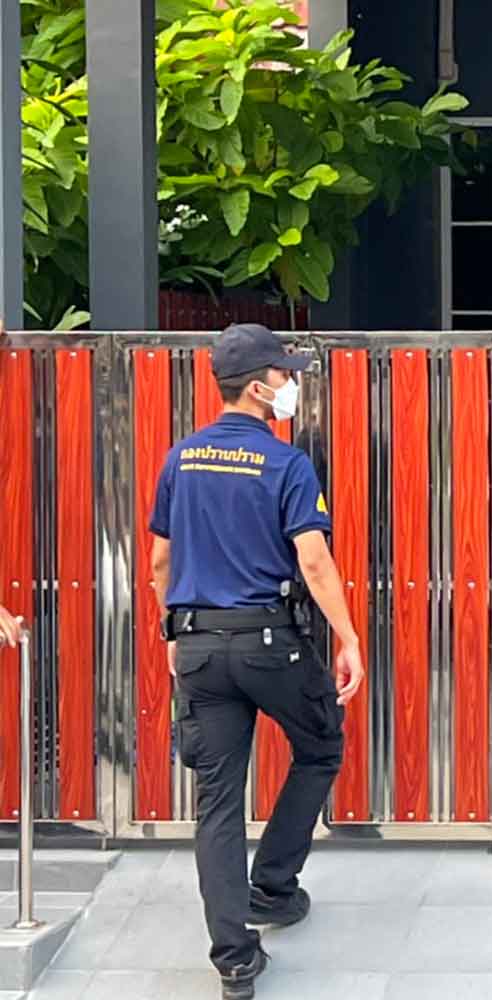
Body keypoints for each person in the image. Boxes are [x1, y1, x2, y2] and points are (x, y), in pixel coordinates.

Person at [148, 323, 365, 1000]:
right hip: (270, 642)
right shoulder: (285, 463)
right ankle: (272, 887)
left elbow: (159, 559)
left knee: (216, 802)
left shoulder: (180, 458)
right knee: (321, 745)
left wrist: (174, 633)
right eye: (284, 373)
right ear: (258, 386)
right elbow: (313, 557)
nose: (291, 384)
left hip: (199, 647)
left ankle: (234, 960)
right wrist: (349, 637)